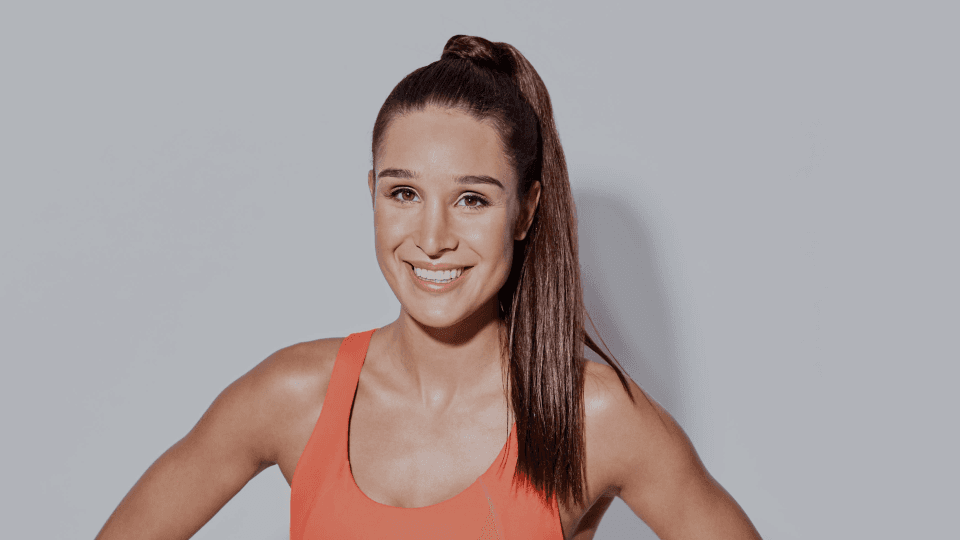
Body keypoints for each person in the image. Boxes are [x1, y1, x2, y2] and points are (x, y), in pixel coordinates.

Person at [95, 35, 762, 540]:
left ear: (525, 211)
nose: (432, 237)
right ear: (372, 194)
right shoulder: (293, 396)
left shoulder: (592, 417)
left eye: (472, 199)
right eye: (404, 193)